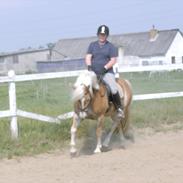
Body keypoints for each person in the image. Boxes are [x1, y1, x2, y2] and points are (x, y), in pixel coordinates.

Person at [85, 25, 124, 118]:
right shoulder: (92, 45)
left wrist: (105, 68)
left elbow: (113, 60)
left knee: (113, 89)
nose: (102, 36)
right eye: (100, 34)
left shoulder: (111, 47)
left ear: (107, 36)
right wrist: (89, 66)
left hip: (106, 72)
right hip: (93, 72)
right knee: (84, 86)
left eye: (104, 35)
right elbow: (88, 56)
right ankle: (82, 107)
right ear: (98, 34)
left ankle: (119, 109)